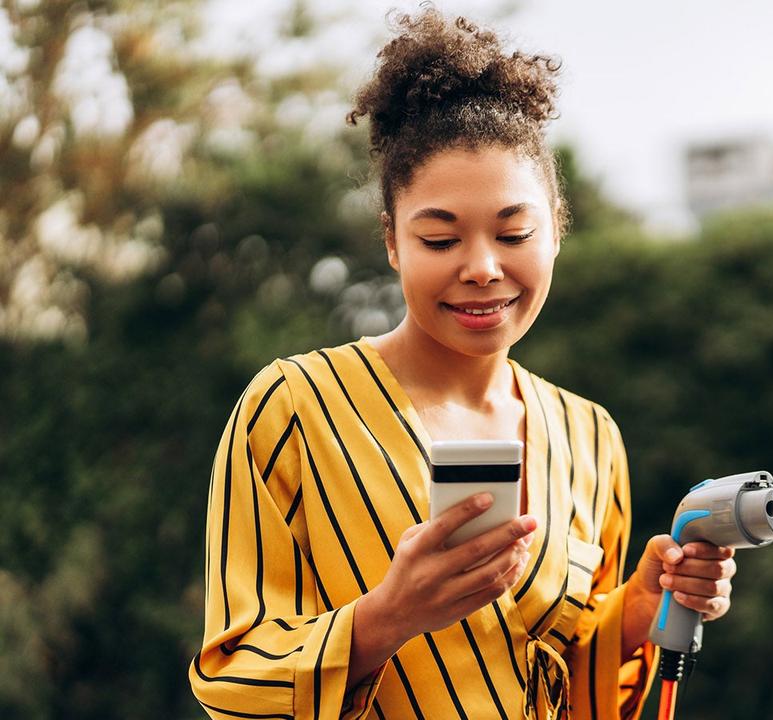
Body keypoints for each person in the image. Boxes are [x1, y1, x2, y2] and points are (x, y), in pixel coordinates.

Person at [188, 8, 737, 720]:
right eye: (440, 239)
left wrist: (635, 612)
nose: (482, 268)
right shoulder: (292, 409)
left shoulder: (590, 436)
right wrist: (386, 617)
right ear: (392, 243)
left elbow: (572, 681)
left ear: (557, 230)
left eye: (513, 232)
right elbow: (231, 676)